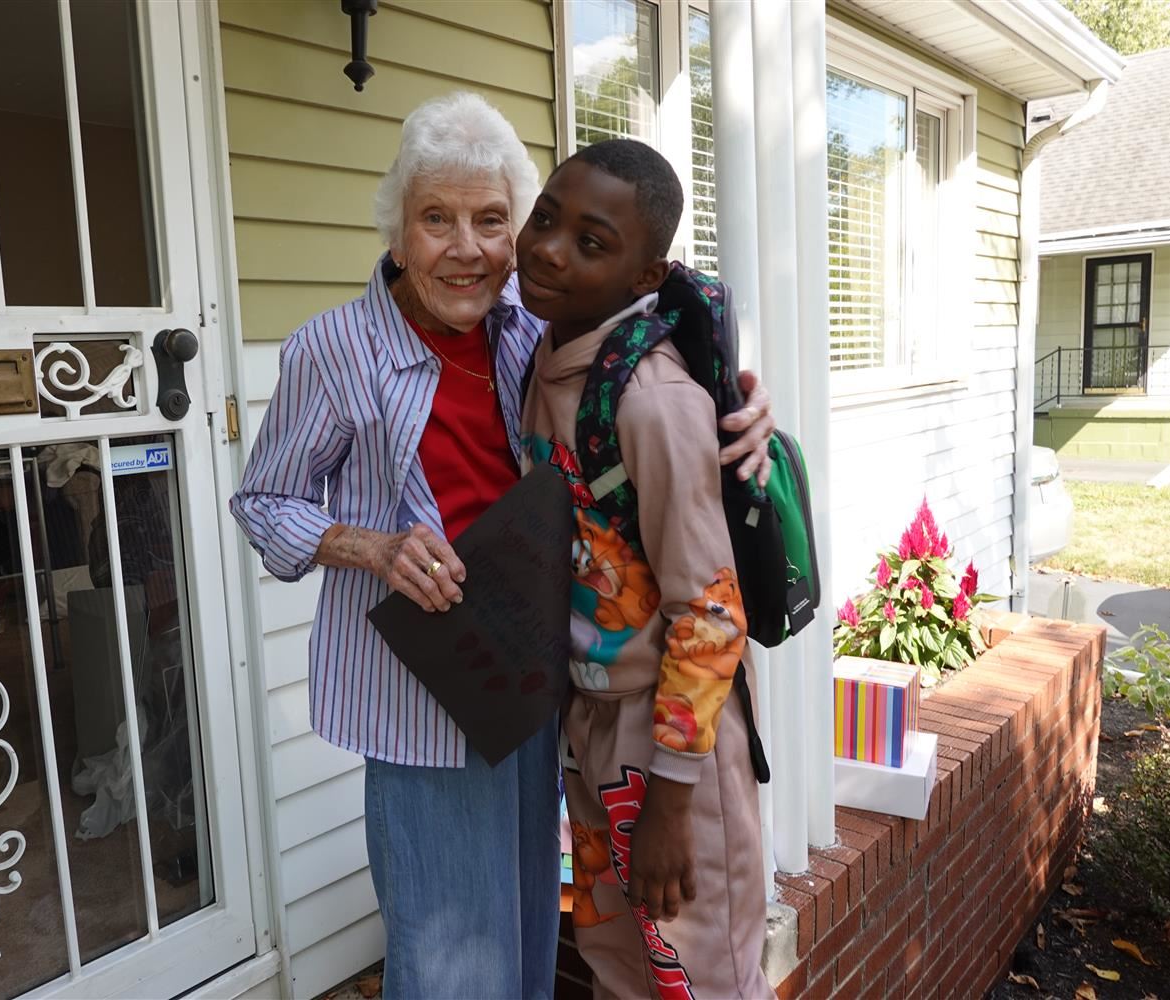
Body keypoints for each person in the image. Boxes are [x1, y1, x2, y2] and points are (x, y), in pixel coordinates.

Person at [231, 93, 775, 998]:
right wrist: (371, 547)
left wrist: (744, 408)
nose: (467, 249)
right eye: (435, 219)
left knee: (530, 941)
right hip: (420, 697)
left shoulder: (531, 322)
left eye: (490, 221)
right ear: (397, 230)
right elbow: (263, 502)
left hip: (541, 688)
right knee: (449, 961)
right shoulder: (332, 350)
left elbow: (655, 325)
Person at [517, 139, 773, 998]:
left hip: (670, 749)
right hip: (589, 727)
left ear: (645, 276)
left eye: (591, 242)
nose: (550, 250)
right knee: (619, 967)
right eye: (544, 218)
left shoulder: (653, 400)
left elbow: (711, 611)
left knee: (699, 975)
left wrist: (671, 798)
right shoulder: (543, 355)